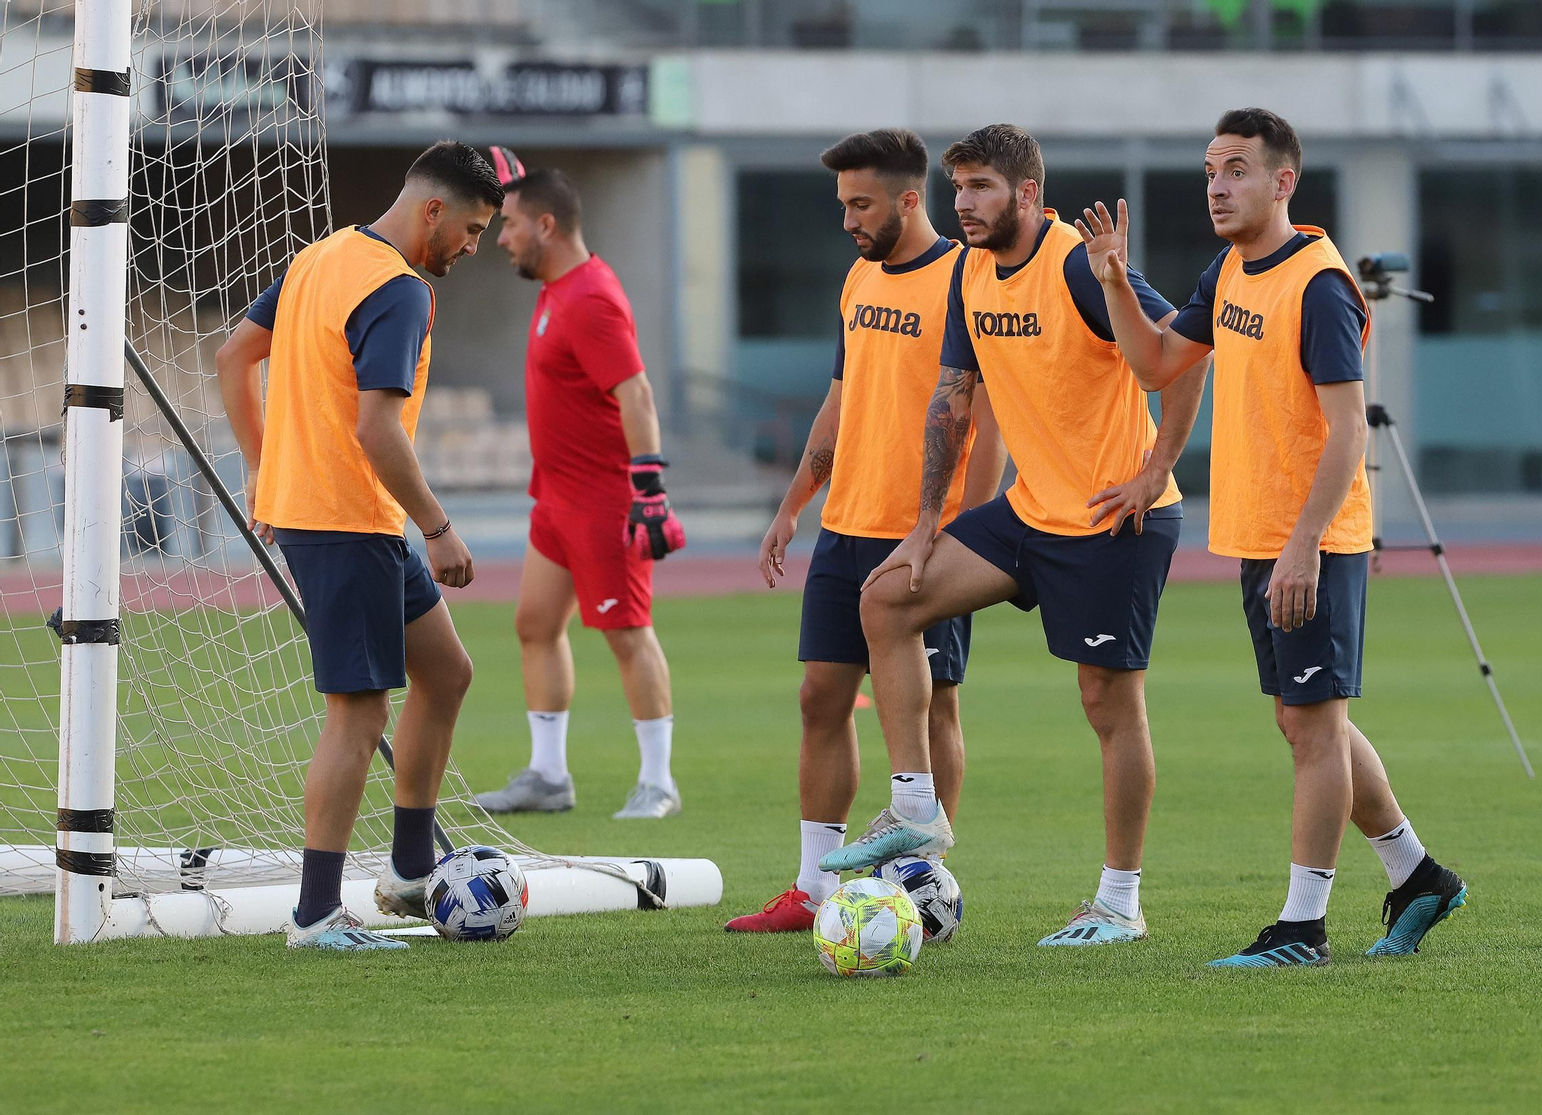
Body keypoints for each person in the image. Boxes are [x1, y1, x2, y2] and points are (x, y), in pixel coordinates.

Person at [1081, 107, 1468, 967]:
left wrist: (1304, 543)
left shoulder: (1320, 284)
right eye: (1211, 170)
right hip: (1260, 534)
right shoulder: (1226, 269)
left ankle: (1302, 928)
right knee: (1304, 721)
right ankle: (1418, 876)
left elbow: (1347, 433)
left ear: (1282, 181)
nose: (1218, 185)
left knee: (1314, 726)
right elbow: (1153, 366)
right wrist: (1113, 278)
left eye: (1238, 170)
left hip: (1312, 540)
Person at [829, 124, 1209, 948]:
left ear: (1028, 195)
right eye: (958, 187)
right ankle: (915, 810)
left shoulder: (1079, 262)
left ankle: (1119, 901)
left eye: (981, 189)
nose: (962, 204)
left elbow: (1184, 353)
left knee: (1108, 702)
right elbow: (952, 396)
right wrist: (929, 524)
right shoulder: (969, 271)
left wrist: (1155, 469)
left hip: (1116, 519)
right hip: (1030, 512)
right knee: (888, 599)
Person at [213, 140, 501, 950]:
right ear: (433, 210)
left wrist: (266, 467)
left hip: (340, 513)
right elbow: (377, 427)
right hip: (347, 519)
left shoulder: (321, 256)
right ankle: (315, 915)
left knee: (446, 672)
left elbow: (234, 354)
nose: (473, 249)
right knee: (359, 712)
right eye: (472, 230)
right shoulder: (400, 290)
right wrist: (439, 528)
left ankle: (411, 871)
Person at [725, 129, 1006, 932]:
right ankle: (813, 886)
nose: (847, 218)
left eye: (861, 203)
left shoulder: (965, 277)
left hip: (928, 533)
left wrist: (967, 532)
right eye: (842, 202)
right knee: (821, 697)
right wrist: (793, 503)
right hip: (846, 525)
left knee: (935, 703)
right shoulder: (857, 277)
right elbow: (842, 400)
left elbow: (988, 417)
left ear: (909, 199)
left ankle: (924, 880)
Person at [475, 152, 687, 821]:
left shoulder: (591, 297)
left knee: (627, 632)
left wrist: (647, 487)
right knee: (535, 625)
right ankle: (548, 774)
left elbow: (637, 392)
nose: (499, 236)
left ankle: (658, 782)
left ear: (546, 225)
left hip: (602, 499)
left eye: (508, 224)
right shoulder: (556, 289)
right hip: (556, 497)